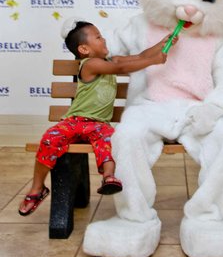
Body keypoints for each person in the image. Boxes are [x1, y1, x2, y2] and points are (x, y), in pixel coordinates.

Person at [19, 19, 175, 216]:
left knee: (109, 140)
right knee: (50, 139)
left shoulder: (111, 61)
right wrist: (153, 61)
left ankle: (109, 177)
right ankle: (37, 187)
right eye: (98, 37)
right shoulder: (90, 64)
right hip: (74, 121)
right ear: (84, 49)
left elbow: (140, 56)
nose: (104, 40)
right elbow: (121, 69)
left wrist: (163, 43)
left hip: (99, 125)